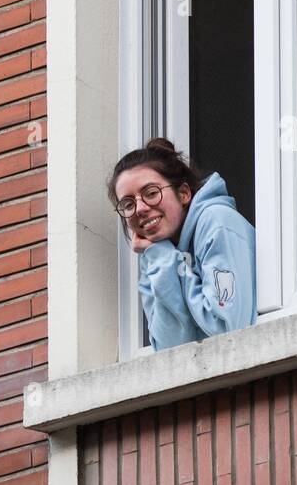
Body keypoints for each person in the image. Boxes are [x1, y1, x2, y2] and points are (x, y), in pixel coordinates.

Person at [109, 137, 257, 351]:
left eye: (151, 193)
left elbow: (227, 331)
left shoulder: (217, 222)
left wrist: (168, 261)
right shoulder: (156, 254)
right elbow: (169, 350)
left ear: (184, 193)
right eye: (128, 204)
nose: (139, 208)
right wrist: (162, 258)